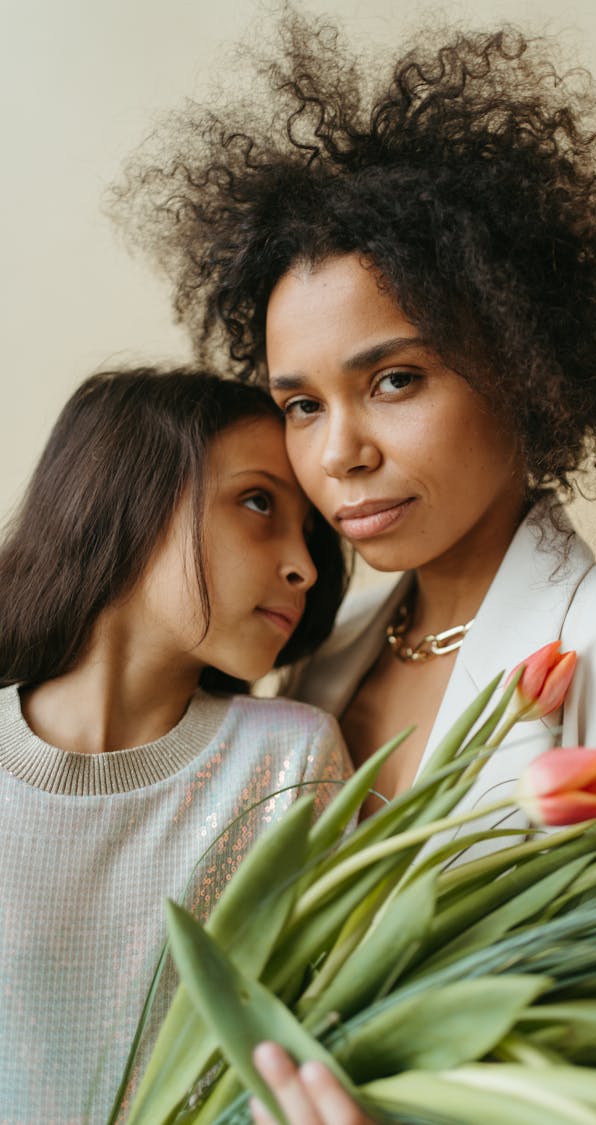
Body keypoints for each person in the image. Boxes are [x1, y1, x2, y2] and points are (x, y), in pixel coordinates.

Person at [114, 14, 596, 1121]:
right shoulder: (307, 674)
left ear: (524, 363)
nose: (339, 452)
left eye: (394, 380)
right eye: (300, 405)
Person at [0, 367, 350, 1123]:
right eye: (259, 502)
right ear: (129, 491)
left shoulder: (291, 762)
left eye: (312, 532)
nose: (305, 565)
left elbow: (333, 1034)